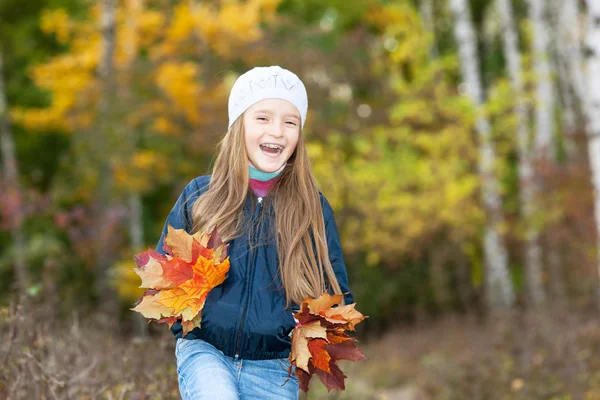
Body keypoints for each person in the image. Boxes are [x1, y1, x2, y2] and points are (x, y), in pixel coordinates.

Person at [155, 65, 353, 400]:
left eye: (290, 121)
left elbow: (335, 295)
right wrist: (188, 322)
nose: (277, 130)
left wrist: (301, 333)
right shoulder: (202, 197)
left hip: (274, 367)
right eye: (263, 118)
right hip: (206, 351)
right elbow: (165, 275)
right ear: (238, 125)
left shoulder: (312, 210)